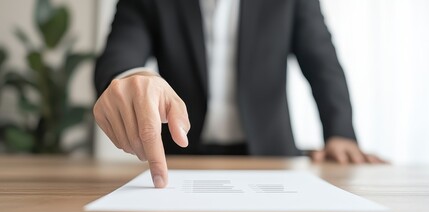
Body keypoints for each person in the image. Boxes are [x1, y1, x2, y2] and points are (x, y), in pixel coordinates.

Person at [93, 0, 384, 188]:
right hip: (182, 163)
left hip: (273, 160)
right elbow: (119, 56)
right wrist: (129, 79)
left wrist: (340, 132)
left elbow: (322, 63)